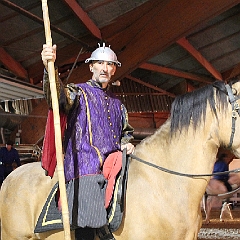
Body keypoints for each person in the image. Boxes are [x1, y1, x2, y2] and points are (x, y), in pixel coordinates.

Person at [41, 42, 135, 240]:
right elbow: (57, 99)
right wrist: (50, 67)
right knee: (89, 217)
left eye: (109, 64)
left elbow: (126, 131)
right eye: (100, 63)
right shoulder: (78, 93)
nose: (105, 68)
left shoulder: (119, 105)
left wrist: (127, 141)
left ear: (114, 69)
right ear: (91, 66)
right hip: (85, 165)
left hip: (114, 164)